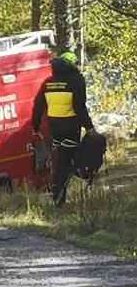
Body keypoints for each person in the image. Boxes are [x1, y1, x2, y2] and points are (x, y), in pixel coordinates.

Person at [31, 51, 94, 206]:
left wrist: (35, 126)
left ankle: (59, 195)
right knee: (67, 160)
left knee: (61, 160)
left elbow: (38, 106)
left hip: (55, 128)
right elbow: (79, 106)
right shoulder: (76, 80)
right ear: (72, 65)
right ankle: (64, 193)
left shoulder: (48, 83)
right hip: (71, 126)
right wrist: (89, 127)